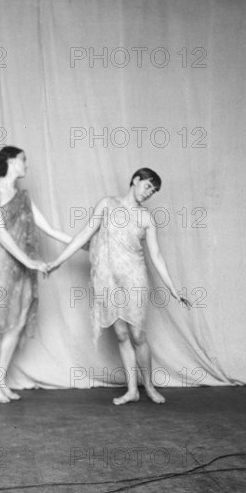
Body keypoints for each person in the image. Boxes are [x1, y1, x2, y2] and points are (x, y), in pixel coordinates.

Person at [47, 168, 191, 405]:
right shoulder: (107, 204)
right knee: (122, 334)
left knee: (137, 334)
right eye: (147, 186)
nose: (149, 193)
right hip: (108, 280)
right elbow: (85, 234)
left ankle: (150, 387)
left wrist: (174, 290)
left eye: (153, 191)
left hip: (134, 278)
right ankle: (132, 390)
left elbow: (156, 255)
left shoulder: (146, 218)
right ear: (136, 180)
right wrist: (58, 261)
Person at [0, 146, 72, 403]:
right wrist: (30, 262)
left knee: (18, 323)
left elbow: (50, 229)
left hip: (23, 265)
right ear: (10, 161)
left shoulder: (24, 197)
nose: (26, 164)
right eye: (23, 159)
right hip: (1, 264)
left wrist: (81, 243)